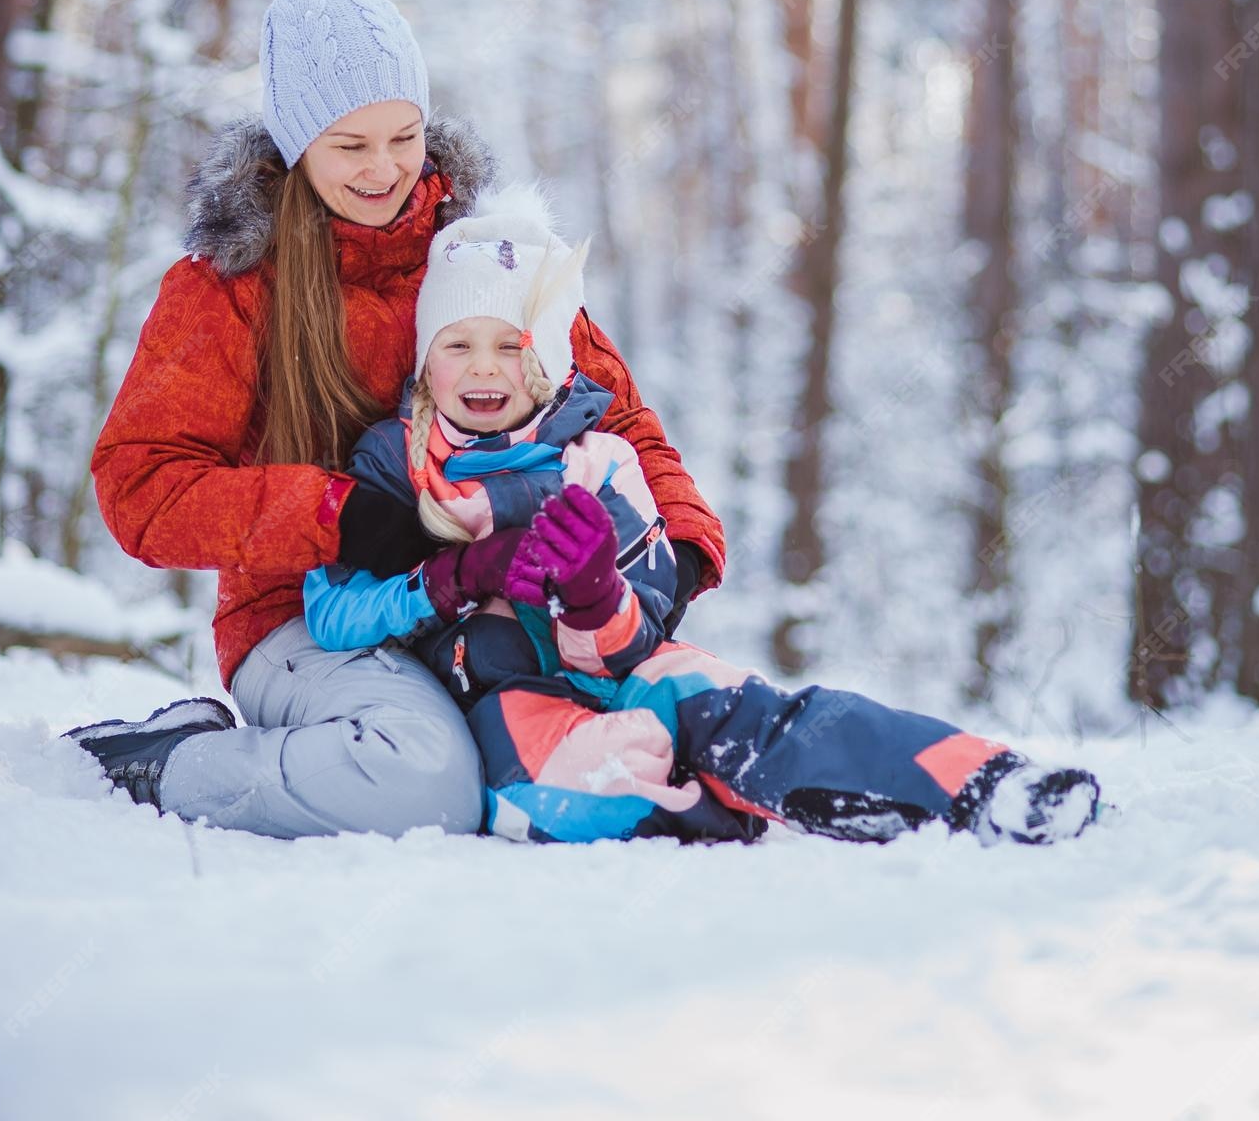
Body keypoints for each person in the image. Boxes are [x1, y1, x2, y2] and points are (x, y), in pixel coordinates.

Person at [63, 0, 725, 839]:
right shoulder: (229, 288)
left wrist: (677, 548)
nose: (384, 168)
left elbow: (617, 413)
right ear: (298, 144)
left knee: (673, 727)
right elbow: (143, 491)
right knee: (424, 783)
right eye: (351, 145)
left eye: (405, 137)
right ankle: (170, 763)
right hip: (300, 616)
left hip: (497, 598)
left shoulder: (485, 259)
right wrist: (346, 516)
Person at [300, 186, 1102, 848]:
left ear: (544, 357)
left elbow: (643, 626)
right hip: (504, 696)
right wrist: (453, 577)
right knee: (577, 787)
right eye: (456, 344)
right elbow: (332, 615)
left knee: (742, 707)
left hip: (620, 668)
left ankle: (984, 781)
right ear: (422, 363)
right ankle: (710, 802)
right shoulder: (391, 467)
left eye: (510, 346)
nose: (482, 366)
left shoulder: (601, 462)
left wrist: (592, 595)